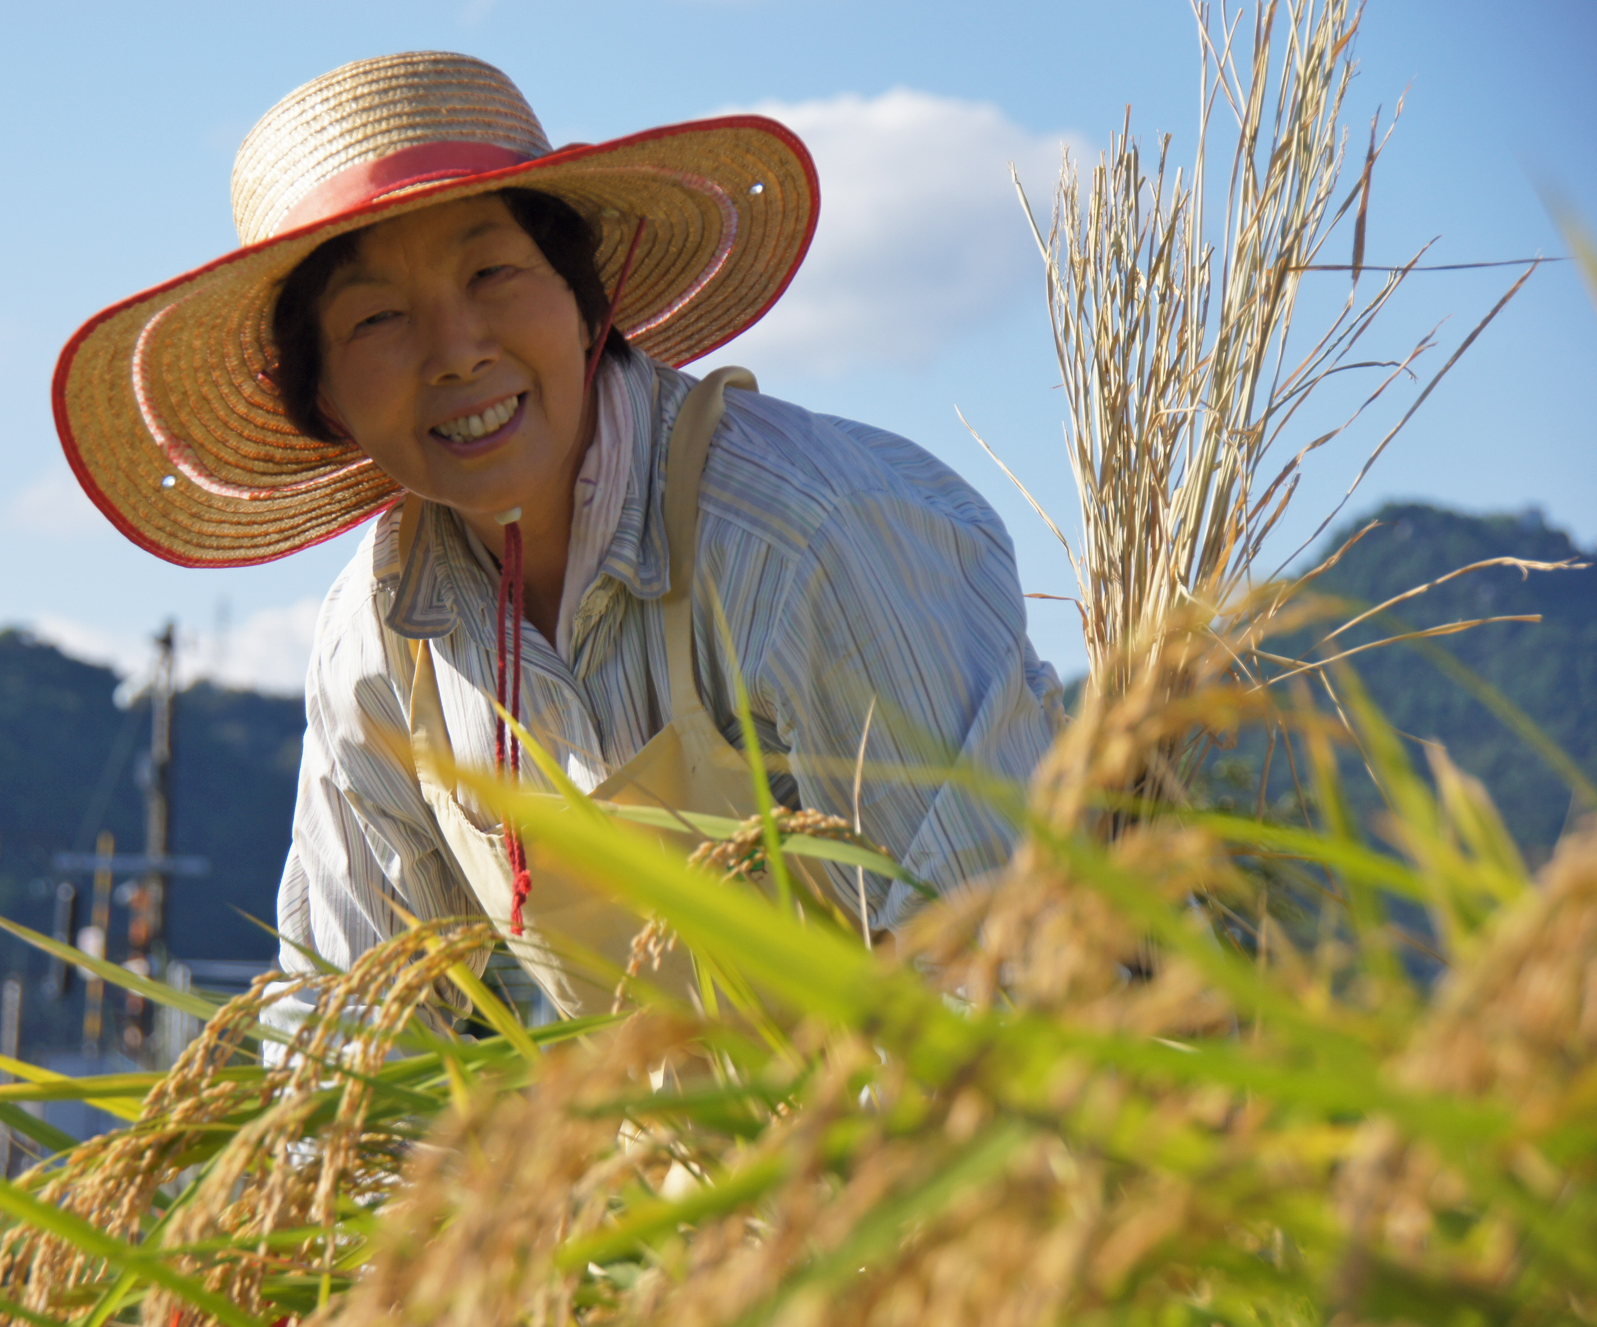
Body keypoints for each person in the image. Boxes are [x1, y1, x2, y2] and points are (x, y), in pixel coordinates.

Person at [55, 51, 1062, 1019]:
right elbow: (346, 1024)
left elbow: (1003, 968)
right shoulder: (383, 634)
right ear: (324, 399)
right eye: (375, 320)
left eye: (491, 272)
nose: (455, 352)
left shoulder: (806, 537)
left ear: (586, 299)